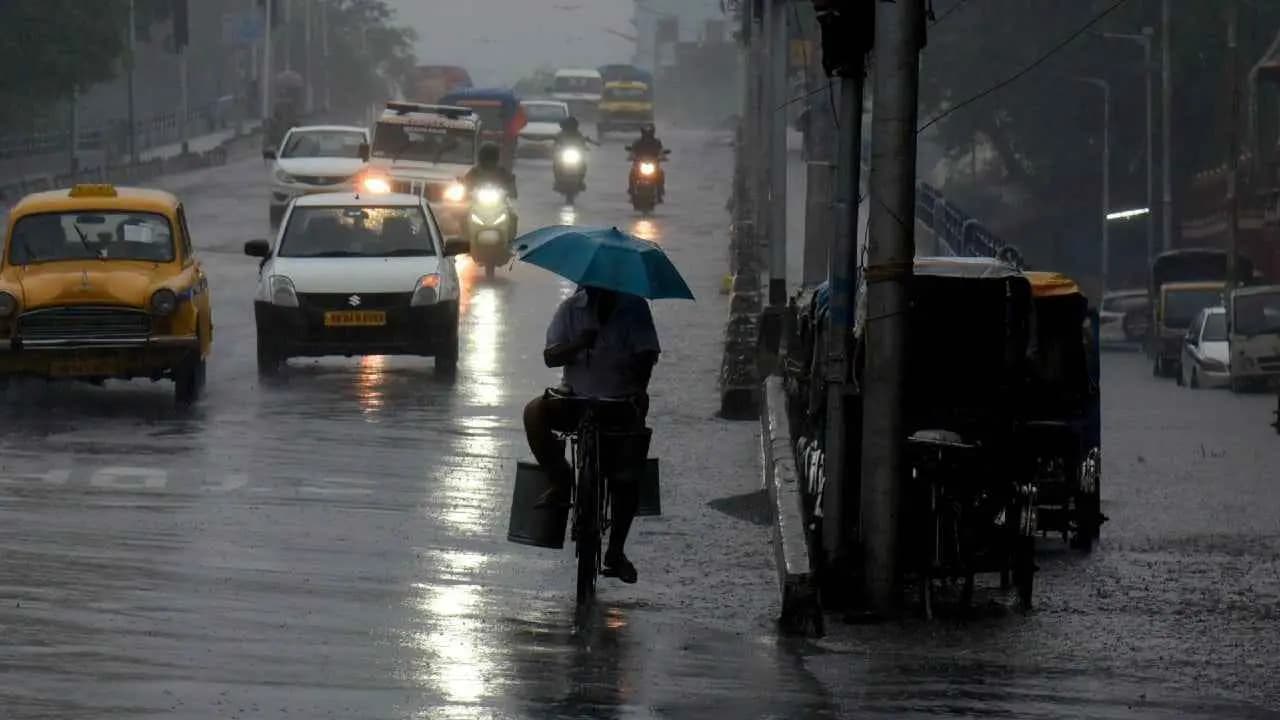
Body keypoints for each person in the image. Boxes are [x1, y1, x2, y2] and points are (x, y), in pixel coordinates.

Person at [523, 285, 661, 585]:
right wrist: (578, 344)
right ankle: (560, 480)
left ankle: (615, 550)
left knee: (627, 475)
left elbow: (649, 355)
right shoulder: (571, 309)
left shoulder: (635, 309)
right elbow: (550, 356)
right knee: (533, 412)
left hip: (619, 404)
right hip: (576, 401)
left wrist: (635, 378)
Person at [628, 124, 666, 201]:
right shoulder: (637, 142)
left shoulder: (657, 142)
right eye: (646, 132)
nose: (647, 135)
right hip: (639, 165)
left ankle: (660, 191)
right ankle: (631, 190)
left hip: (653, 165)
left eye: (649, 132)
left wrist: (662, 157)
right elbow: (632, 152)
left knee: (661, 173)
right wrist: (631, 157)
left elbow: (661, 152)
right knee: (632, 173)